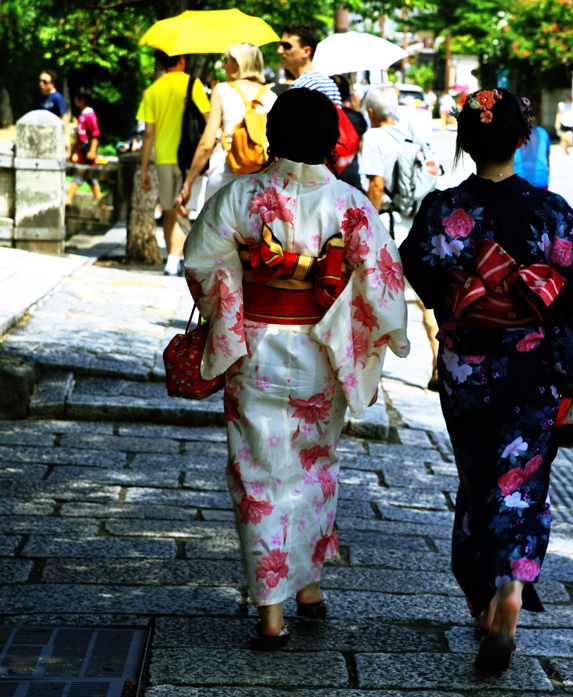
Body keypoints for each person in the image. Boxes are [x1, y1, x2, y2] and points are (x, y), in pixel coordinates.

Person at [398, 88, 573, 674]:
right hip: (533, 365)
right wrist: (554, 310)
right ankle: (513, 585)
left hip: (468, 365)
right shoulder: (549, 210)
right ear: (523, 139)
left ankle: (483, 600)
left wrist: (461, 301)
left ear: (465, 141)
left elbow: (417, 265)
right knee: (521, 476)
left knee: (479, 478)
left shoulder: (442, 208)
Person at [182, 87, 410, 651]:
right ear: (332, 139)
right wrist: (376, 335)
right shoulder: (350, 204)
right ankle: (306, 588)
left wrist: (231, 306)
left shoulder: (241, 196)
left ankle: (274, 611)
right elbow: (383, 286)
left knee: (257, 474)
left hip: (254, 346)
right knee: (314, 465)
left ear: (274, 135)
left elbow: (201, 261)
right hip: (321, 351)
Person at [176, 43, 277, 217]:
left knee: (216, 237)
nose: (223, 65)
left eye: (225, 60)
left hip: (225, 171)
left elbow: (207, 144)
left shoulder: (222, 90)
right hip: (262, 176)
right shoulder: (271, 96)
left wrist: (188, 183)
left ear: (238, 63)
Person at [137, 50, 211, 276]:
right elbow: (208, 119)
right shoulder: (193, 84)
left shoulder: (152, 91)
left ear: (160, 62)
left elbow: (148, 134)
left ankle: (171, 260)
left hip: (164, 158)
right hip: (189, 157)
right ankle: (174, 259)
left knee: (169, 210)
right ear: (182, 60)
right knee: (184, 210)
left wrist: (143, 170)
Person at [360, 86, 404, 213]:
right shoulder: (406, 134)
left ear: (371, 112)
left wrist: (371, 222)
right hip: (409, 212)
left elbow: (377, 185)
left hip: (388, 216)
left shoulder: (372, 136)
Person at [276, 23, 342, 106]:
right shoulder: (329, 84)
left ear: (306, 51)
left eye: (287, 46)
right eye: (280, 45)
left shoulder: (301, 87)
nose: (279, 51)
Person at [331, 75, 368, 191]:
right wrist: (356, 110)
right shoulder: (355, 117)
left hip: (328, 177)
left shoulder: (322, 117)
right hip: (352, 177)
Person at [66, 87, 103, 205]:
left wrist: (93, 151)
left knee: (79, 176)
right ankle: (100, 202)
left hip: (88, 153)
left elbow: (95, 134)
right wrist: (72, 152)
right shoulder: (81, 116)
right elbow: (79, 136)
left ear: (82, 100)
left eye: (77, 98)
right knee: (91, 179)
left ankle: (67, 201)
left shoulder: (90, 115)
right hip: (82, 153)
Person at [513, 104, 551, 188]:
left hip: (517, 182)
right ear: (532, 119)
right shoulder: (542, 132)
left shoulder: (512, 133)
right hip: (541, 180)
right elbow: (547, 159)